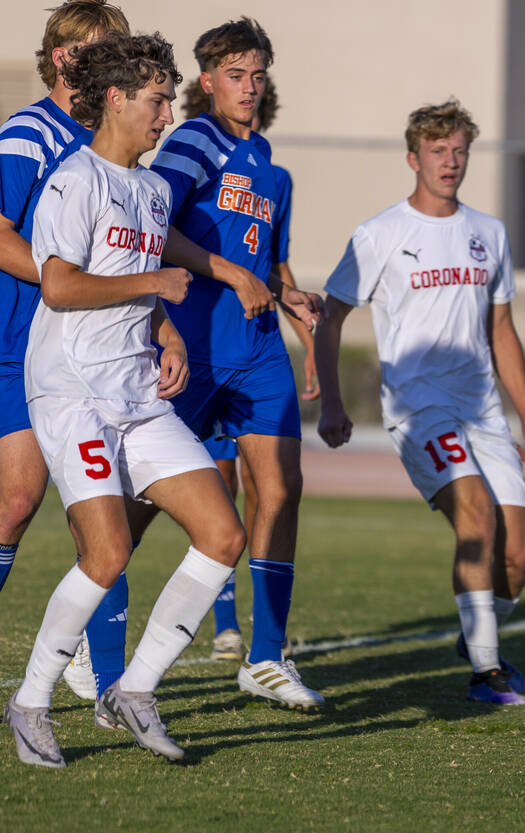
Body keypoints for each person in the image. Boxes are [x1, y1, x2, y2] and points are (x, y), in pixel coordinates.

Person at [3, 31, 246, 768]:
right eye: (156, 99)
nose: (166, 114)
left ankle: (134, 690)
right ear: (115, 99)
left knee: (223, 535)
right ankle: (31, 703)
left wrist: (167, 333)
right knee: (106, 553)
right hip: (71, 390)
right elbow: (59, 285)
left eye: (168, 100)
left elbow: (140, 278)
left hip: (135, 391)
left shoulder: (148, 189)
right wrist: (153, 287)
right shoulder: (75, 180)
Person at [314, 99, 525, 705]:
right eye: (438, 152)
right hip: (419, 408)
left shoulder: (489, 233)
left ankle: (477, 634)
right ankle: (487, 670)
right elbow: (331, 317)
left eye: (460, 150)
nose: (451, 162)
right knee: (476, 515)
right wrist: (332, 403)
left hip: (485, 413)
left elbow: (502, 331)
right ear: (413, 159)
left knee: (517, 555)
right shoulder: (380, 234)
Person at [129, 17, 324, 709]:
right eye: (236, 75)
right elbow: (155, 227)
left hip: (258, 349)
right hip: (193, 351)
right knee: (137, 506)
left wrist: (288, 296)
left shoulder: (270, 162)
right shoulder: (192, 143)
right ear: (206, 81)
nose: (249, 86)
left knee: (281, 488)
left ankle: (266, 657)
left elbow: (265, 264)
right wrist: (226, 274)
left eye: (258, 74)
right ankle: (93, 646)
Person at [0, 0, 130, 699]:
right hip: (18, 344)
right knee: (16, 502)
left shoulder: (110, 142)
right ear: (61, 56)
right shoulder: (28, 133)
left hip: (91, 354)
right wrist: (68, 278)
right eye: (97, 48)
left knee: (101, 505)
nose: (109, 59)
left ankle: (108, 680)